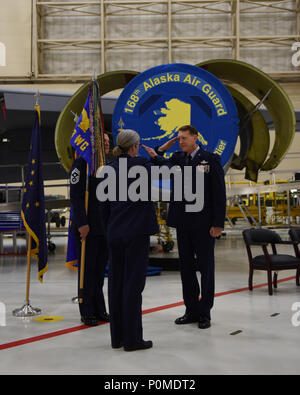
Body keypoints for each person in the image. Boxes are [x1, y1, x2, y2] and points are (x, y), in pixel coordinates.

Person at [142, 125, 226, 329]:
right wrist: (166, 144)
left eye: (184, 138)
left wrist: (218, 223)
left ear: (195, 137)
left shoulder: (210, 159)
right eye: (179, 138)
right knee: (186, 268)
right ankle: (191, 310)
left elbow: (218, 193)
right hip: (183, 222)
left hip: (204, 224)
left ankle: (204, 312)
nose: (181, 141)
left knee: (206, 268)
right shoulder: (178, 158)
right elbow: (158, 159)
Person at [99, 129, 159, 351]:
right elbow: (168, 171)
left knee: (115, 285)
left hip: (115, 233)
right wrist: (157, 155)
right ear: (134, 147)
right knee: (133, 286)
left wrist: (110, 229)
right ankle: (133, 339)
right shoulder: (142, 165)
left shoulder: (108, 169)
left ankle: (117, 338)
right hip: (136, 234)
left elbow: (103, 207)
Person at [70, 132, 111, 326]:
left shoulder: (106, 166)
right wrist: (82, 223)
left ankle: (99, 308)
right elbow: (76, 197)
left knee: (99, 272)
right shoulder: (82, 165)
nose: (106, 145)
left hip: (103, 228)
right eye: (103, 142)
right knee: (87, 273)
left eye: (108, 142)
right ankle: (86, 310)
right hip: (87, 228)